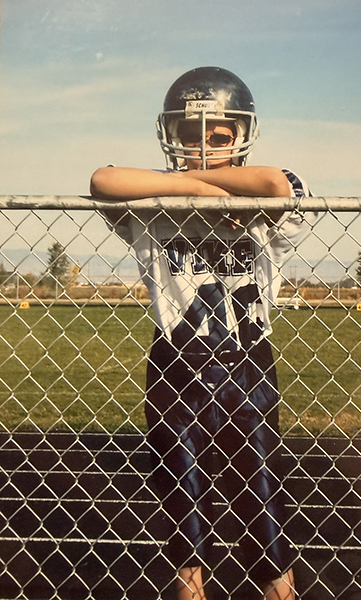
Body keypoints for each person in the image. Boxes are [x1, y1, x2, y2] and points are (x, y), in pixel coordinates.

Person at [90, 66, 313, 600]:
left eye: (218, 137)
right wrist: (193, 186)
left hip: (247, 357)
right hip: (176, 360)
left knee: (259, 491)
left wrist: (198, 186)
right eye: (191, 137)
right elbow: (103, 179)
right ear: (171, 137)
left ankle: (278, 586)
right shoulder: (153, 203)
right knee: (181, 490)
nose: (204, 147)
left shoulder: (267, 199)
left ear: (243, 136)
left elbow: (272, 184)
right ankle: (191, 587)